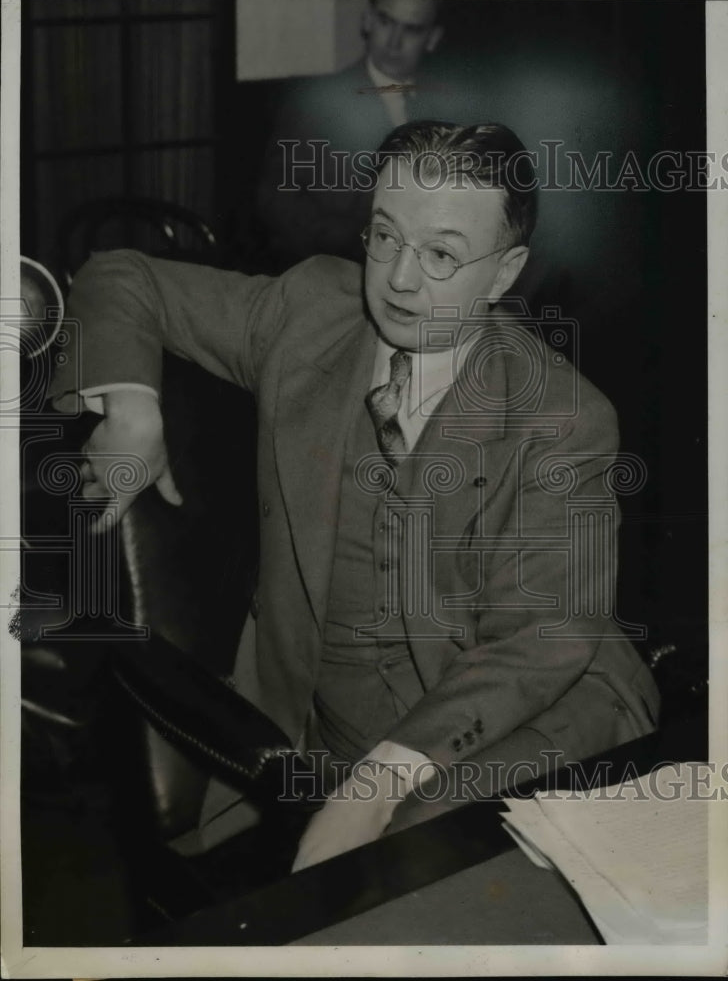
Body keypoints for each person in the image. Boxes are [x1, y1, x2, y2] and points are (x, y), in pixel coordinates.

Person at [50, 120, 659, 872]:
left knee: (431, 875)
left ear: (505, 274)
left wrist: (377, 783)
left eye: (441, 254)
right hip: (324, 731)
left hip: (525, 712)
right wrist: (132, 410)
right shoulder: (308, 314)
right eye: (384, 236)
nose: (401, 279)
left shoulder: (561, 418)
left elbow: (544, 639)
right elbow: (119, 275)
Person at [256, 0, 474, 267]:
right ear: (368, 20)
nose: (394, 42)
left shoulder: (448, 110)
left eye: (411, 29)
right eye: (385, 22)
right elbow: (275, 201)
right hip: (336, 270)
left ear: (432, 38)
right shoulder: (319, 102)